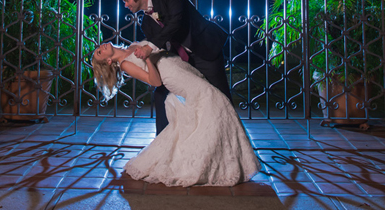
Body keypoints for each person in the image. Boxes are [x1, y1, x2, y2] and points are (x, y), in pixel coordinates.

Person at [91, 40, 260, 187]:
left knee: (210, 104)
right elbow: (155, 81)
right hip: (173, 76)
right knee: (214, 98)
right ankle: (216, 163)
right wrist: (148, 58)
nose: (102, 47)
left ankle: (221, 157)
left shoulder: (132, 46)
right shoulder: (126, 64)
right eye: (100, 52)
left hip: (180, 67)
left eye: (99, 48)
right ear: (108, 60)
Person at [118, 0, 232, 134]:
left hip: (205, 51)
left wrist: (149, 48)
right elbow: (161, 46)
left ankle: (232, 137)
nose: (125, 5)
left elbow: (175, 22)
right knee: (160, 95)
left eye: (126, 0)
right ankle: (163, 142)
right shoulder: (145, 23)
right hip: (183, 61)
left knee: (222, 98)